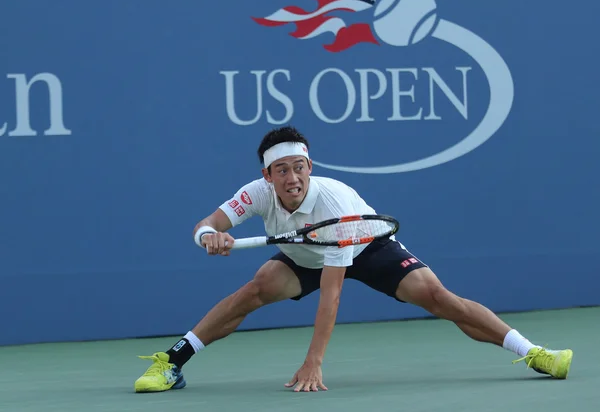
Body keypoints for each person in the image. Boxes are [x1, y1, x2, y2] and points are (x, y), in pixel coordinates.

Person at [134, 126, 573, 393]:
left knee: (438, 297)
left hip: (362, 247)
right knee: (252, 291)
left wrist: (314, 361)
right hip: (301, 253)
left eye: (299, 167)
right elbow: (205, 224)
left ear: (310, 166)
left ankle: (534, 353)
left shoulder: (335, 205)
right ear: (267, 175)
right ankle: (172, 363)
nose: (292, 177)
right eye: (281, 170)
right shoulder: (256, 194)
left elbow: (333, 291)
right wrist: (212, 237)